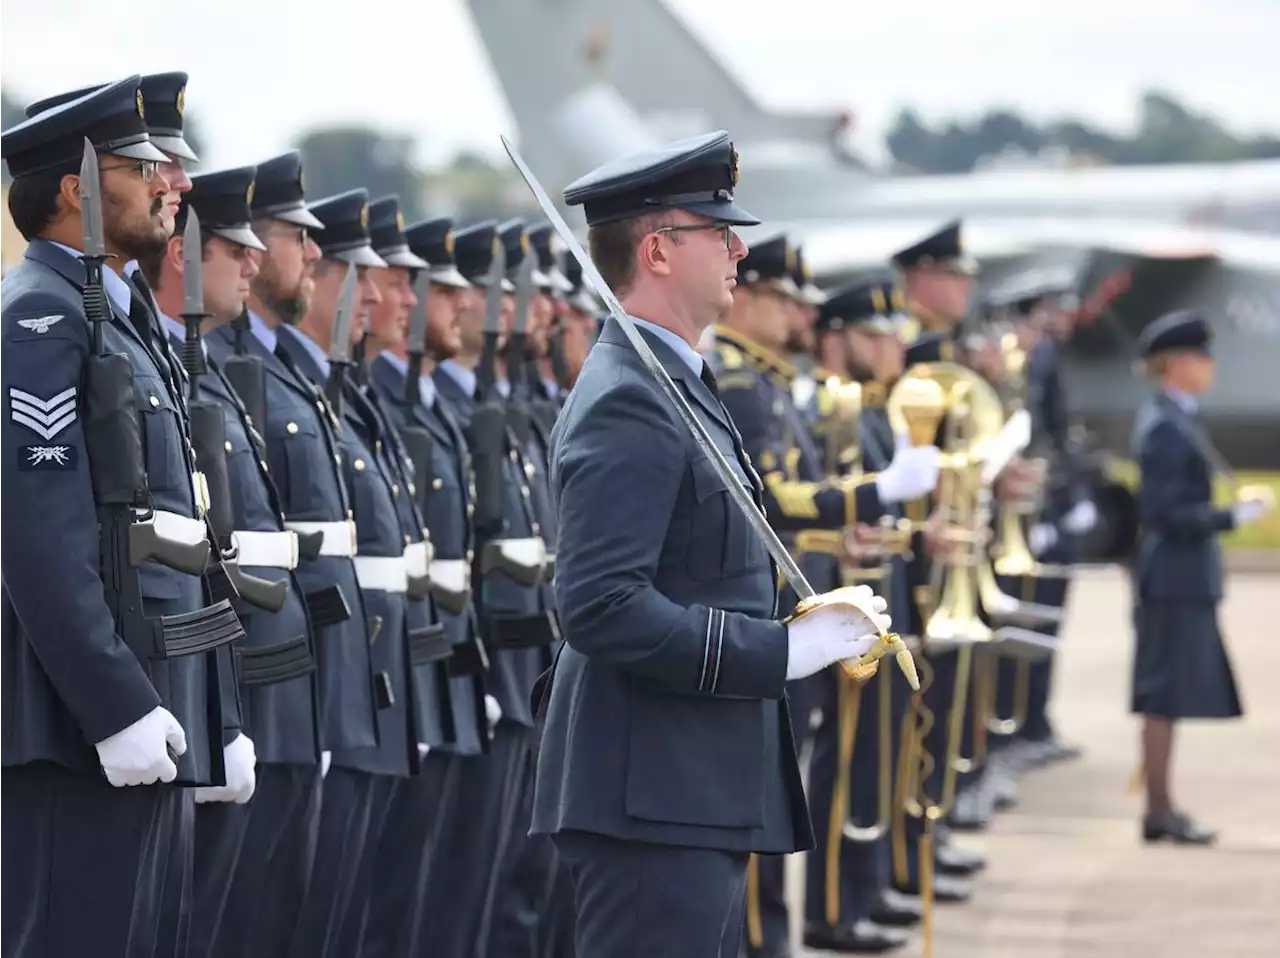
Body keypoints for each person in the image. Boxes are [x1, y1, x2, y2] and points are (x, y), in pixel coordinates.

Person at [531, 130, 895, 958]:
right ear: (658, 250)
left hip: (683, 787)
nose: (738, 247)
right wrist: (781, 652)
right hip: (649, 791)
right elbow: (601, 605)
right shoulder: (630, 397)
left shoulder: (673, 381)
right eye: (716, 230)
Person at [0, 75, 239, 958]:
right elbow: (38, 537)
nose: (175, 182)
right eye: (148, 166)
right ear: (77, 190)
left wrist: (222, 718)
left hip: (154, 710)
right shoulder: (36, 318)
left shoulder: (122, 324)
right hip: (79, 728)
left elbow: (184, 540)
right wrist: (112, 708)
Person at [139, 164, 329, 958]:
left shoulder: (210, 372)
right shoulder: (176, 371)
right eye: (236, 247)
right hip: (191, 697)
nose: (253, 263)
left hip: (255, 690)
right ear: (186, 251)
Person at [203, 152, 380, 955]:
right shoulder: (232, 374)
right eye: (292, 236)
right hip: (256, 693)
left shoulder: (287, 377)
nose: (312, 253)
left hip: (315, 685)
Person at [1130, 310, 1270, 844]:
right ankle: (1158, 810)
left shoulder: (1178, 415)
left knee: (1168, 694)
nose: (1211, 365)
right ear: (1179, 363)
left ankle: (1162, 806)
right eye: (1203, 356)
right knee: (1163, 695)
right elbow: (1165, 512)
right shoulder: (1166, 424)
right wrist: (1232, 517)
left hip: (1182, 575)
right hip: (1173, 576)